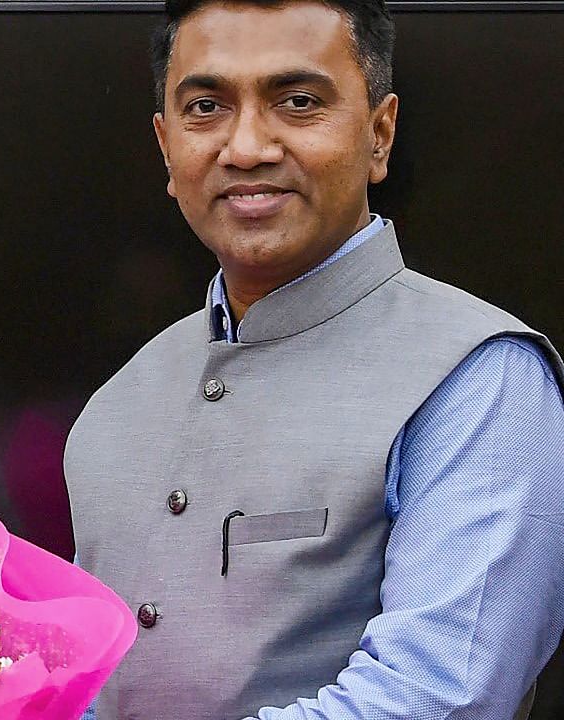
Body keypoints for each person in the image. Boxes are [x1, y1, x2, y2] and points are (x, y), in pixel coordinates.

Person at [66, 1, 564, 719]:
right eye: (206, 107)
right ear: (166, 149)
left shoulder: (478, 377)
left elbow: (438, 697)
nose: (246, 147)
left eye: (297, 102)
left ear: (380, 135)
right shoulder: (119, 400)